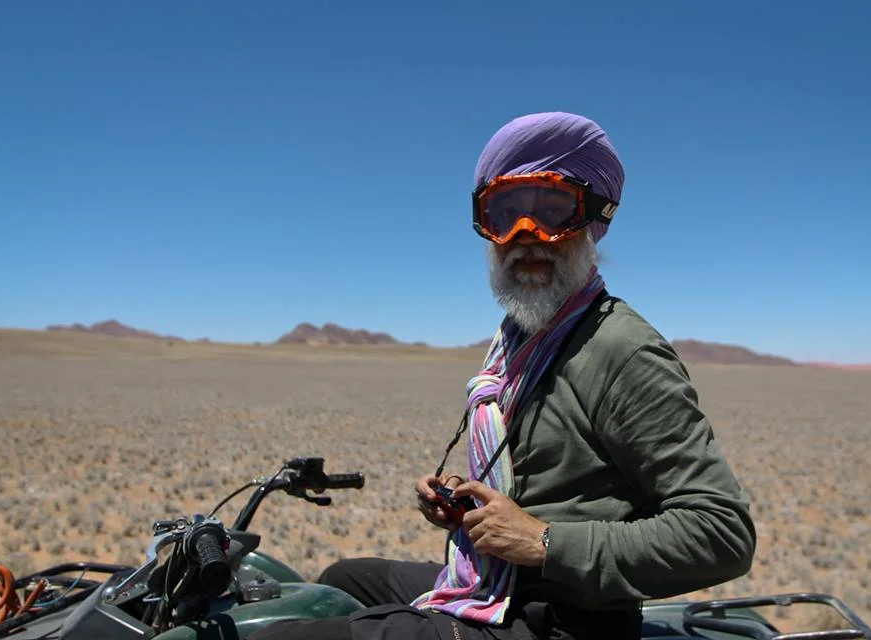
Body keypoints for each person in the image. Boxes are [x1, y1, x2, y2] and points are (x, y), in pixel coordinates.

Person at [250, 111, 756, 640]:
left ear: (592, 221)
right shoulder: (520, 337)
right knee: (342, 579)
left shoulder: (621, 349)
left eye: (553, 210)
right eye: (504, 213)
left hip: (564, 616)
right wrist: (463, 504)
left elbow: (722, 533)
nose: (525, 235)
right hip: (502, 579)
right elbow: (542, 482)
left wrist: (542, 541)